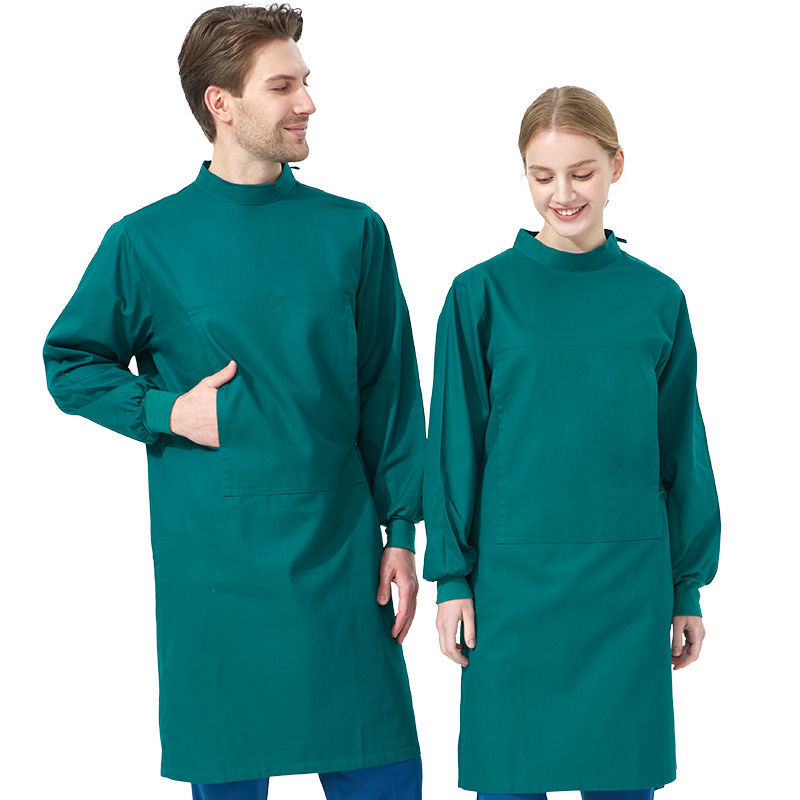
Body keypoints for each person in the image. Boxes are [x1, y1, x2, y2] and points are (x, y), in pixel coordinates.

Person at [42, 5, 425, 799]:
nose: (308, 102)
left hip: (342, 560)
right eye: (283, 87)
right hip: (217, 572)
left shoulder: (353, 232)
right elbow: (70, 361)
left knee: (384, 772)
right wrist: (165, 411)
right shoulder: (147, 242)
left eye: (305, 82)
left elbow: (388, 392)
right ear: (221, 102)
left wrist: (401, 533)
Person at [422, 85, 721, 799]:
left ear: (616, 166)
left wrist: (686, 588)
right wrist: (453, 579)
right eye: (542, 175)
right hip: (512, 593)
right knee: (510, 780)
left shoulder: (658, 299)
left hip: (627, 593)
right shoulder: (479, 296)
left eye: (582, 172)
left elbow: (681, 452)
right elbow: (453, 450)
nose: (562, 194)